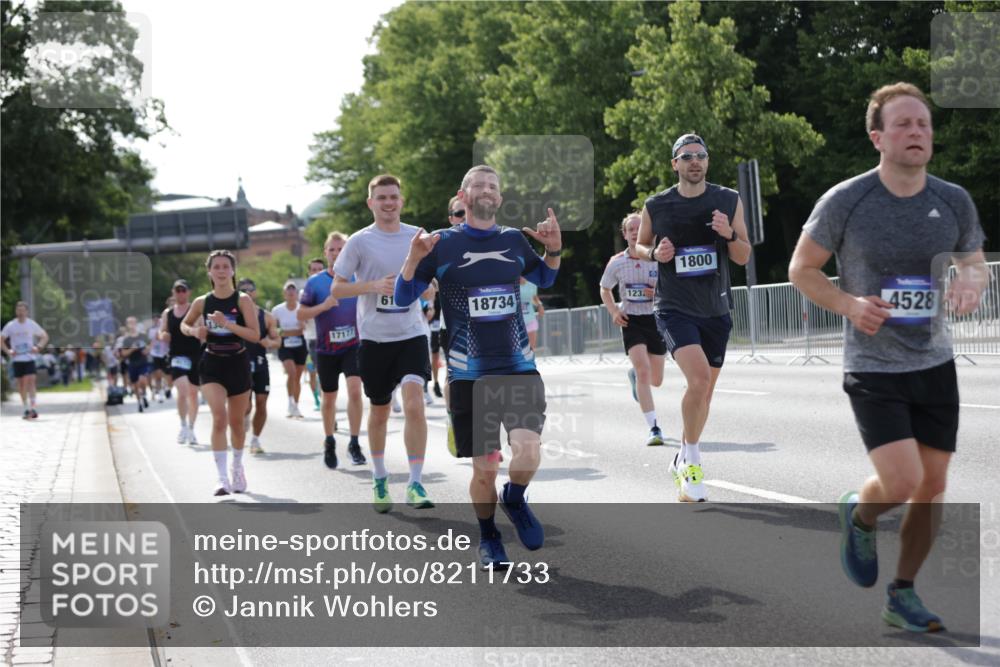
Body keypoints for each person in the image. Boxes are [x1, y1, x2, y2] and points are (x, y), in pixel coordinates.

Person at [789, 82, 987, 633]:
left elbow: (973, 263)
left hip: (934, 363)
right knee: (901, 481)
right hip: (873, 366)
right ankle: (860, 513)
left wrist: (971, 284)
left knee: (932, 487)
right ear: (878, 137)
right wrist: (850, 305)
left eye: (923, 123)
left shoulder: (952, 199)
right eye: (903, 124)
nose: (916, 132)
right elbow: (801, 269)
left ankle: (902, 593)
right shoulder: (847, 200)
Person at [396, 164, 562, 569]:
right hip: (469, 373)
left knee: (528, 452)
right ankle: (488, 535)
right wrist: (412, 259)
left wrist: (554, 250)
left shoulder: (512, 240)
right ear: (463, 195)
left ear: (499, 198)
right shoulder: (441, 244)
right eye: (479, 185)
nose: (487, 190)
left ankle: (515, 498)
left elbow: (545, 277)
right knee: (485, 468)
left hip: (518, 366)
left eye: (493, 186)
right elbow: (403, 296)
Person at [635, 132, 751, 502]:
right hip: (674, 307)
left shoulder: (727, 200)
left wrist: (728, 234)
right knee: (698, 380)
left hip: (716, 309)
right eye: (686, 156)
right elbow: (639, 245)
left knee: (704, 394)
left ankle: (681, 457)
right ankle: (693, 465)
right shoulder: (657, 205)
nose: (695, 161)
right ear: (675, 164)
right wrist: (655, 253)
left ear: (707, 161)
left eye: (700, 155)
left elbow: (743, 254)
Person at [332, 173, 434, 512]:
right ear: (371, 203)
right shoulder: (359, 242)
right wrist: (373, 286)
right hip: (375, 339)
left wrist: (424, 289)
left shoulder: (417, 237)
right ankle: (379, 477)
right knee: (380, 412)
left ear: (401, 201)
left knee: (415, 404)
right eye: (382, 198)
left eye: (393, 197)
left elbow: (430, 284)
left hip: (411, 334)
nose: (388, 203)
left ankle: (415, 483)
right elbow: (337, 289)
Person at [181, 250, 260, 496]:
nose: (222, 271)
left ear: (233, 271)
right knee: (219, 418)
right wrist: (194, 331)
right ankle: (222, 478)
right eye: (217, 267)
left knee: (237, 424)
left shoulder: (243, 300)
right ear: (210, 272)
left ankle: (237, 466)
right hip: (212, 364)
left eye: (226, 266)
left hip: (238, 363)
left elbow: (254, 335)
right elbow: (184, 324)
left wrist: (227, 324)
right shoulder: (202, 302)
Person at [299, 231, 367, 468]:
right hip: (326, 349)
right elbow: (301, 314)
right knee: (328, 398)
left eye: (341, 249)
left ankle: (354, 443)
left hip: (353, 345)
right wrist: (323, 306)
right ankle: (329, 441)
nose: (337, 254)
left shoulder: (358, 277)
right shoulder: (315, 282)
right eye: (332, 250)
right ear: (325, 252)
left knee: (355, 392)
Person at [601, 212, 667, 446]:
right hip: (631, 321)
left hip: (655, 319)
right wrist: (614, 311)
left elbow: (674, 287)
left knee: (656, 380)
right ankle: (654, 428)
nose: (635, 233)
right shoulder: (617, 261)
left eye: (639, 228)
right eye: (631, 229)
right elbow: (605, 288)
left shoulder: (659, 257)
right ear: (625, 234)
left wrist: (657, 292)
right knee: (644, 371)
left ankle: (635, 377)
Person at [238, 278, 280, 455]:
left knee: (261, 403)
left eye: (250, 289)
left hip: (261, 363)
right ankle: (243, 421)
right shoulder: (235, 316)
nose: (247, 292)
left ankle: (255, 439)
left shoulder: (266, 316)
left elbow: (277, 341)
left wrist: (269, 342)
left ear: (255, 292)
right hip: (241, 365)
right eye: (243, 290)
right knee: (245, 406)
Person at [160, 279, 203, 445]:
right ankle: (183, 425)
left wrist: (198, 332)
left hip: (195, 355)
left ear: (189, 292)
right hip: (177, 356)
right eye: (177, 290)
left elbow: (203, 331)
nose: (180, 293)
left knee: (193, 393)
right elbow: (162, 331)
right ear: (173, 292)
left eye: (183, 290)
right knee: (182, 389)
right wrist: (163, 335)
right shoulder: (168, 313)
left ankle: (191, 428)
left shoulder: (196, 310)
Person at [1, 302, 49, 419]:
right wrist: (8, 351)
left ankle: (33, 408)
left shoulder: (31, 324)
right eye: (18, 310)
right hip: (17, 359)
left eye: (23, 310)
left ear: (27, 312)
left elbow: (45, 336)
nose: (21, 313)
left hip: (29, 358)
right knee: (21, 384)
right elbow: (1, 340)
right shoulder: (11, 325)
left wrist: (38, 347)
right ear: (16, 312)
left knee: (31, 380)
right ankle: (26, 408)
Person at [272, 281, 308, 419]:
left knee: (297, 376)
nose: (291, 293)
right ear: (284, 294)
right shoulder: (277, 310)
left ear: (297, 294)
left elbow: (306, 328)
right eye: (288, 291)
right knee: (291, 372)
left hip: (300, 344)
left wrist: (298, 329)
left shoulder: (302, 308)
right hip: (285, 345)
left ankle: (296, 406)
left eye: (293, 291)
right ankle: (289, 402)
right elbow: (272, 329)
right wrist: (286, 332)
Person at [118, 317, 152, 412]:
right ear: (127, 325)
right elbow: (123, 353)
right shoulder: (126, 339)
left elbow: (149, 346)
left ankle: (144, 395)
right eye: (130, 323)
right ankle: (139, 402)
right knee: (136, 385)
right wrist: (132, 349)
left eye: (133, 322)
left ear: (136, 323)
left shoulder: (143, 336)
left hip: (143, 362)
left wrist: (147, 350)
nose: (132, 325)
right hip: (132, 364)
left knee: (142, 380)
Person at [305, 257, 325, 412]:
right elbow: (302, 316)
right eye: (314, 270)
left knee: (325, 373)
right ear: (309, 273)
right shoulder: (305, 292)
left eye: (320, 269)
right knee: (316, 373)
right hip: (312, 339)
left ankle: (326, 401)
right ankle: (319, 400)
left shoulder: (332, 288)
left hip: (331, 336)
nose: (317, 272)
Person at [518, 277, 545, 351]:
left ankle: (530, 358)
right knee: (518, 349)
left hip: (530, 318)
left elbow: (534, 297)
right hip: (516, 322)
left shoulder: (532, 284)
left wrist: (540, 305)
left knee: (531, 348)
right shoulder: (512, 284)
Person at [148, 314, 169, 402]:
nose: (156, 321)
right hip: (155, 354)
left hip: (165, 353)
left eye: (158, 319)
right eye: (154, 319)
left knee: (166, 374)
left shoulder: (166, 328)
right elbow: (150, 342)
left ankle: (166, 388)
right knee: (157, 374)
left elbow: (167, 339)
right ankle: (160, 393)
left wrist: (161, 336)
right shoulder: (151, 330)